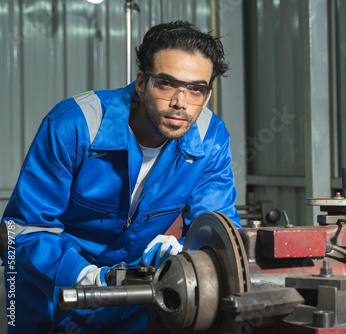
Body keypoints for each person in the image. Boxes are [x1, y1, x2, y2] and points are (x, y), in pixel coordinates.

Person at [1, 20, 240, 333]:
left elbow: (218, 232)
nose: (181, 103)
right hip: (49, 296)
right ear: (142, 82)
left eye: (196, 89)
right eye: (167, 84)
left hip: (135, 301)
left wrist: (183, 254)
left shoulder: (211, 140)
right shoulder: (74, 126)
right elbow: (22, 230)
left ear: (206, 96)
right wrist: (88, 277)